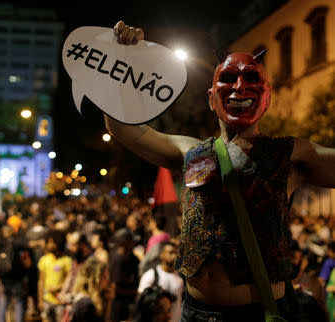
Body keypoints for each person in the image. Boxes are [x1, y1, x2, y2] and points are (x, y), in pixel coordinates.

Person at [110, 20, 335, 321]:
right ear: (211, 98)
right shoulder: (188, 152)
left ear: (267, 96)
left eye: (251, 78)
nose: (239, 87)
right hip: (197, 313)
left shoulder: (292, 154)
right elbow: (123, 128)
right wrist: (121, 62)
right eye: (228, 78)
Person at [138, 241, 184, 322]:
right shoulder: (151, 275)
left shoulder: (181, 278)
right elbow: (141, 301)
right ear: (161, 254)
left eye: (176, 253)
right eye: (170, 253)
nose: (174, 256)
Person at [37, 229, 71, 322]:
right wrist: (40, 300)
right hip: (47, 300)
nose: (50, 245)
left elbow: (70, 281)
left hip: (61, 302)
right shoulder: (44, 259)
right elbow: (41, 281)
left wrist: (59, 288)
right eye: (49, 242)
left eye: (53, 242)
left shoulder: (66, 260)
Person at [69, 257, 115, 322]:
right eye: (105, 276)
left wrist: (109, 301)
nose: (108, 280)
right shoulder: (85, 303)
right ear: (97, 279)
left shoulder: (96, 299)